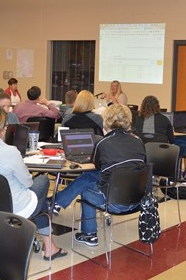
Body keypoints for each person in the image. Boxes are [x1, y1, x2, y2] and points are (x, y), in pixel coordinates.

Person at [0, 103, 67, 260]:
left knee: (39, 199)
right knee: (42, 182)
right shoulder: (10, 152)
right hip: (14, 208)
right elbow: (28, 183)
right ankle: (49, 247)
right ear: (1, 128)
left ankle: (49, 246)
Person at [52, 104, 146, 246]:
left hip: (114, 202)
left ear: (106, 120)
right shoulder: (138, 141)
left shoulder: (103, 143)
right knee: (92, 177)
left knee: (87, 183)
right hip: (137, 200)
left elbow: (96, 166)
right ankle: (57, 203)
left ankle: (88, 234)